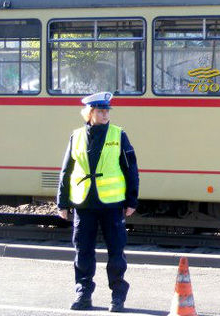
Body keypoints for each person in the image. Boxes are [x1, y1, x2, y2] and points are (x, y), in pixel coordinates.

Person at [57, 91, 139, 312]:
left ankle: (118, 297)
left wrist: (132, 199)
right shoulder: (76, 136)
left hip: (111, 205)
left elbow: (131, 169)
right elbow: (67, 170)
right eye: (101, 111)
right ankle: (83, 295)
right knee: (83, 252)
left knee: (116, 253)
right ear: (90, 113)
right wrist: (62, 203)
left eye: (107, 111)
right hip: (84, 204)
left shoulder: (118, 135)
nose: (105, 114)